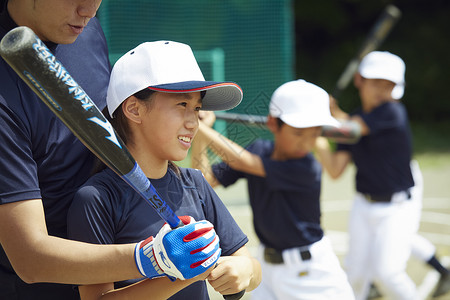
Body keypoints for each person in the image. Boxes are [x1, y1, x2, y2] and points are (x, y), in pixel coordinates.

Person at [0, 1, 222, 299]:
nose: (89, 10)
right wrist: (151, 257)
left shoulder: (83, 29)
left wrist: (181, 114)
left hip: (123, 240)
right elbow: (29, 257)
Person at [67, 40, 261, 300]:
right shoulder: (97, 198)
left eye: (197, 108)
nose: (194, 122)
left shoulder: (194, 183)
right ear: (134, 109)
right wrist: (178, 273)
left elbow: (252, 268)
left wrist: (244, 269)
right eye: (182, 105)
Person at [192, 79, 355, 300]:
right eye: (298, 133)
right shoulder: (260, 149)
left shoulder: (307, 167)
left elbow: (245, 162)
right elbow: (202, 179)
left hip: (312, 274)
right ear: (273, 124)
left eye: (314, 134)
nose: (306, 143)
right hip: (267, 271)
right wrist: (200, 134)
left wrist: (198, 125)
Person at [314, 50, 432, 300]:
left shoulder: (392, 112)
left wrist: (312, 122)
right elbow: (335, 170)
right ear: (359, 80)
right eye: (375, 83)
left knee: (388, 274)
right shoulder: (351, 121)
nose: (381, 91)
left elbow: (350, 130)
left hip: (398, 207)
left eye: (388, 86)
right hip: (363, 205)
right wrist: (317, 136)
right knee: (354, 276)